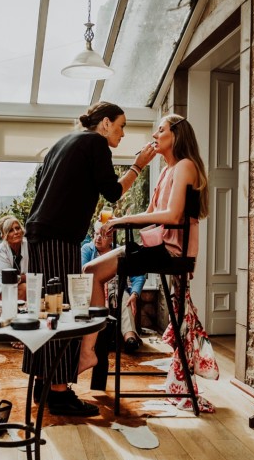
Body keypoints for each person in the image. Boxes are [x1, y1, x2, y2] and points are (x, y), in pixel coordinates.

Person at [23, 101, 157, 416]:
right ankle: (59, 393)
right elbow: (112, 192)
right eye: (122, 125)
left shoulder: (64, 142)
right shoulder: (94, 143)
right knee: (61, 309)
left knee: (47, 309)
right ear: (106, 122)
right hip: (57, 237)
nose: (123, 133)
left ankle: (44, 382)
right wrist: (138, 165)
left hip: (39, 235)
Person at [84, 114, 217, 412]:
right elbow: (151, 213)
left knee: (92, 271)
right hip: (158, 248)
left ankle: (91, 350)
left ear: (177, 135)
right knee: (90, 271)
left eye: (161, 129)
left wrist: (123, 220)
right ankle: (94, 348)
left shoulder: (185, 166)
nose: (155, 135)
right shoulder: (167, 170)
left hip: (170, 253)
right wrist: (118, 222)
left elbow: (171, 217)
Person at [81, 222, 146, 353]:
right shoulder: (87, 249)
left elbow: (138, 276)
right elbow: (84, 273)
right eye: (96, 234)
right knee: (112, 295)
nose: (98, 238)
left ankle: (130, 338)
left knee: (124, 297)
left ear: (111, 238)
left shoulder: (118, 251)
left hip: (117, 287)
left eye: (103, 235)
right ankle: (101, 339)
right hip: (95, 288)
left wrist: (135, 294)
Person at [0, 215, 28, 301]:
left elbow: (34, 274)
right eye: (11, 230)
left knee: (27, 287)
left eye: (17, 228)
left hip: (19, 285)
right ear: (4, 236)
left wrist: (19, 278)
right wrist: (23, 278)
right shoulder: (1, 250)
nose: (16, 232)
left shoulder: (28, 245)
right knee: (24, 288)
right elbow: (6, 280)